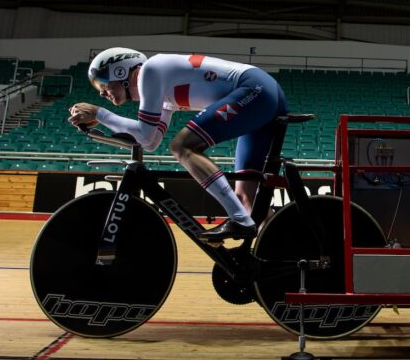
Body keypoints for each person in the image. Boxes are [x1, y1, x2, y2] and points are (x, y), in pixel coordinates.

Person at [68, 48, 288, 242]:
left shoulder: (150, 71)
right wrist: (102, 122)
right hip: (262, 92)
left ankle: (239, 220)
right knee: (246, 199)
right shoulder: (162, 93)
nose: (101, 92)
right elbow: (151, 142)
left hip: (254, 89)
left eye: (103, 83)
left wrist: (100, 113)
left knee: (182, 146)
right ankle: (281, 247)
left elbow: (145, 135)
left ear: (121, 72)